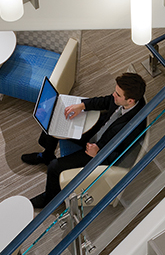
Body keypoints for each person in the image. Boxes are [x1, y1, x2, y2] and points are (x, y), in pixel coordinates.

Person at [22, 72, 147, 209]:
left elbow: (123, 157)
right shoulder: (124, 99)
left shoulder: (133, 127)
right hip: (96, 133)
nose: (113, 95)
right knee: (55, 124)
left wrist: (97, 153)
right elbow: (105, 101)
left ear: (130, 101)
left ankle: (49, 199)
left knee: (54, 167)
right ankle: (47, 155)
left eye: (117, 94)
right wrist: (81, 106)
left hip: (98, 152)